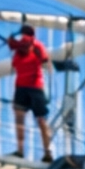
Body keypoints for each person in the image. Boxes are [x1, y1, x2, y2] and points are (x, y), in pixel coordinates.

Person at [7, 22, 53, 161]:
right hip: (35, 87)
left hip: (22, 86)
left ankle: (21, 150)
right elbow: (45, 61)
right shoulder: (36, 45)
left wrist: (13, 36)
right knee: (41, 120)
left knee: (20, 119)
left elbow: (13, 57)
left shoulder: (18, 46)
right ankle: (47, 152)